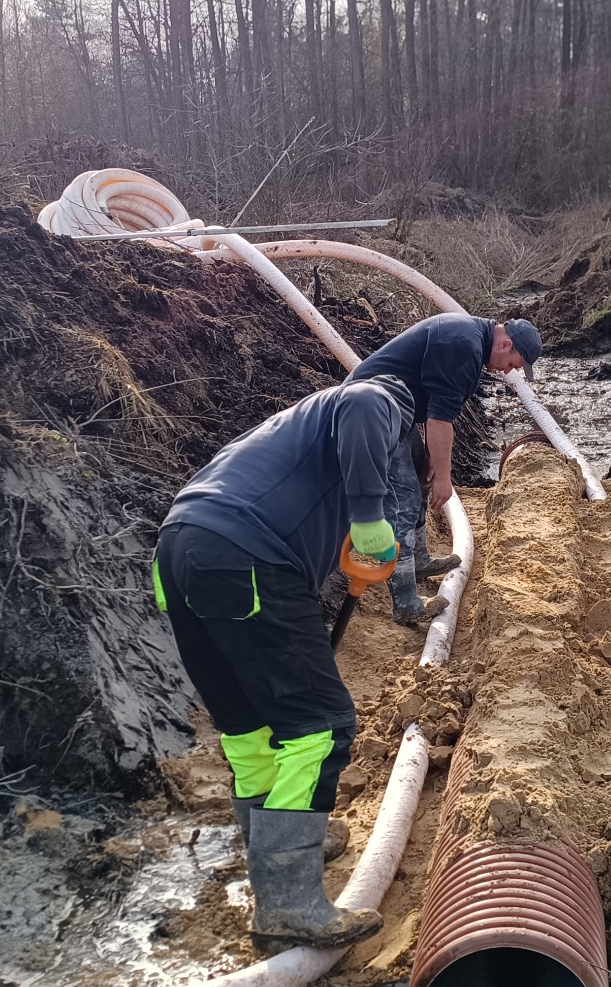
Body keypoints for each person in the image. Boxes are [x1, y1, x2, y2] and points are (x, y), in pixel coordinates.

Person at [151, 373, 416, 949]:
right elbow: (368, 401)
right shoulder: (380, 400)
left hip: (179, 550)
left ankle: (274, 843)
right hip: (242, 558)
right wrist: (372, 517)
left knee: (248, 724)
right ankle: (289, 902)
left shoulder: (290, 438)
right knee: (319, 726)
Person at [343, 315, 544, 625]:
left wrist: (433, 469)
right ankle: (406, 603)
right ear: (506, 344)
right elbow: (439, 420)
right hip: (369, 411)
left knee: (420, 477)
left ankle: (419, 562)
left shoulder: (471, 338)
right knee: (405, 500)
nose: (509, 371)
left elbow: (434, 404)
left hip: (392, 406)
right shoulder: (464, 346)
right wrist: (444, 477)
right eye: (514, 363)